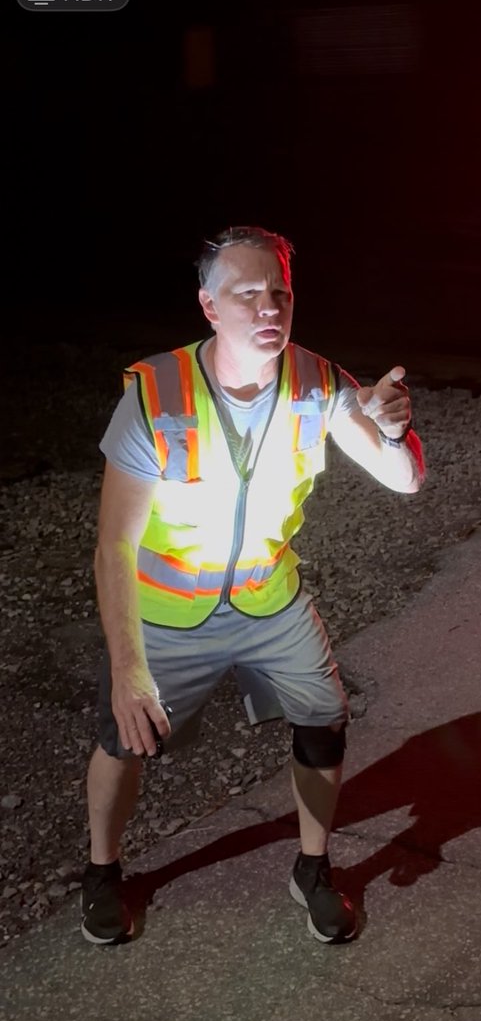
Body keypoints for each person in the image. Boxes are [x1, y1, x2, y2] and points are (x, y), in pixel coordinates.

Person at [81, 225, 425, 946]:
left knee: (325, 720)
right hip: (171, 610)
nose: (269, 307)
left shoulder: (320, 382)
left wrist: (394, 432)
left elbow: (404, 483)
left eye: (280, 293)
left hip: (270, 598)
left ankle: (312, 868)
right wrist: (127, 669)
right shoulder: (156, 393)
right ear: (209, 307)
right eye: (247, 295)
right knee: (124, 736)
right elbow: (114, 543)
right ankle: (103, 872)